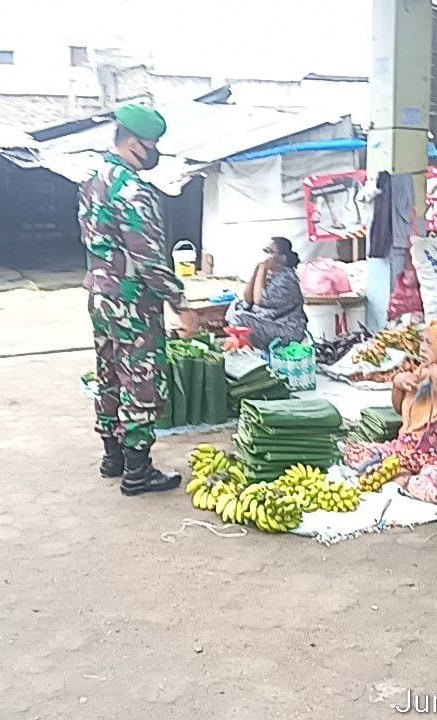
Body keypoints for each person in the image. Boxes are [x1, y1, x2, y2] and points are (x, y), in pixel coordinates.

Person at [80, 103, 198, 495]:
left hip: (100, 295)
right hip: (132, 300)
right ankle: (137, 470)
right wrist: (180, 303)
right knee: (140, 379)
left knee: (108, 373)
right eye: (152, 144)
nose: (155, 152)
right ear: (133, 143)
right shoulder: (131, 188)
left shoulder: (93, 178)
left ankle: (112, 455)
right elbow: (148, 258)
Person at [344, 320, 437, 504]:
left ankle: (403, 479)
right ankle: (402, 475)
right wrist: (398, 385)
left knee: (431, 486)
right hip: (406, 452)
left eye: (430, 343)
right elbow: (401, 411)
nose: (422, 348)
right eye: (422, 341)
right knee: (354, 452)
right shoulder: (420, 372)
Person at [225, 237, 308, 349]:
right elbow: (247, 299)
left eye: (270, 252)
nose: (266, 255)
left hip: (285, 329)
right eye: (265, 251)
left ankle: (246, 347)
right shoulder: (269, 273)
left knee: (239, 318)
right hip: (267, 321)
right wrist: (257, 270)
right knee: (235, 306)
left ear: (282, 257)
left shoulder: (287, 278)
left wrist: (262, 270)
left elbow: (260, 301)